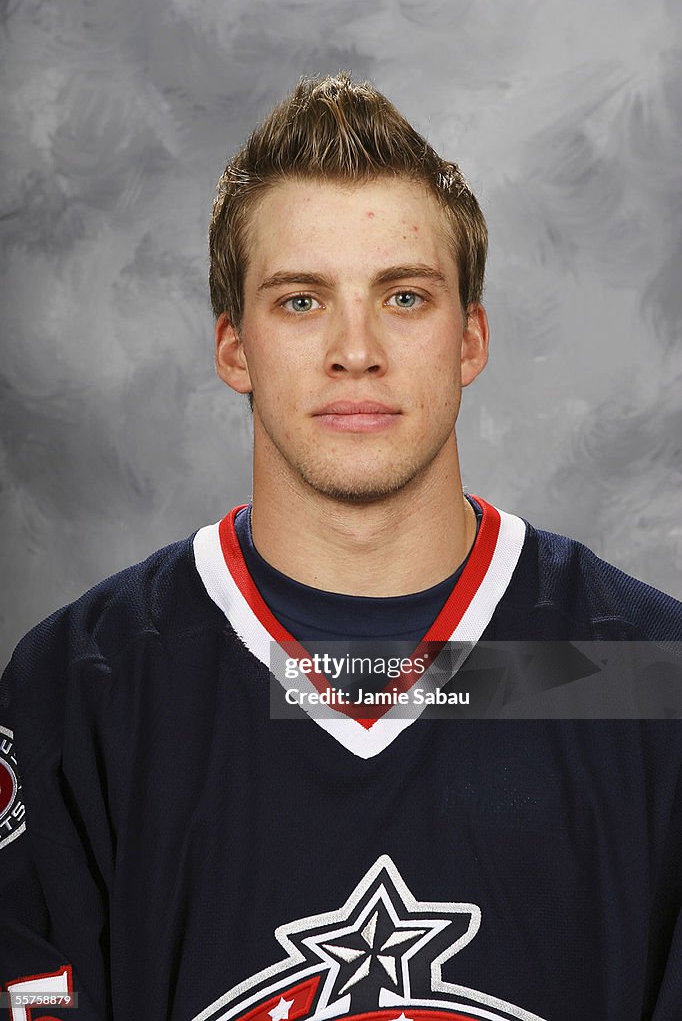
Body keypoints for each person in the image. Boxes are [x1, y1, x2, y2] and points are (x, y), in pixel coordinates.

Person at [1, 73, 681, 1021]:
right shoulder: (81, 693)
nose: (355, 350)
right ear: (233, 346)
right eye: (301, 301)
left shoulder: (640, 673)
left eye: (404, 297)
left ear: (470, 340)